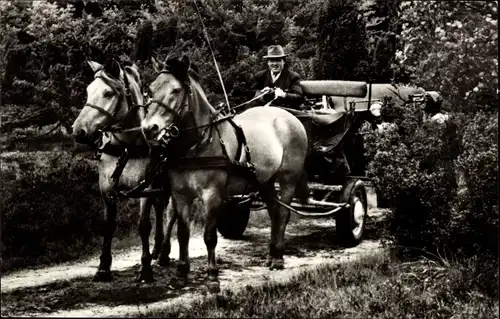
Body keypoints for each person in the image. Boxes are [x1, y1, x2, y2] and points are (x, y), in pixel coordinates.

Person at [250, 45, 304, 109]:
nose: (275, 64)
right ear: (268, 62)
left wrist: (284, 95)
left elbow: (299, 98)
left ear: (283, 61)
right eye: (272, 61)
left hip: (286, 113)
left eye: (278, 60)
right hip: (264, 112)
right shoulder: (259, 76)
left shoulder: (293, 77)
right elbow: (250, 94)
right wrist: (261, 93)